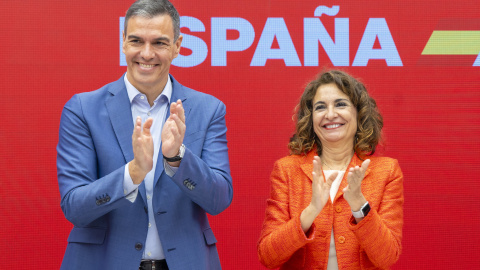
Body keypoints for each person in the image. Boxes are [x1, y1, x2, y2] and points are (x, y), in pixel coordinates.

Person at [56, 0, 233, 269]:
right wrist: (133, 174)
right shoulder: (82, 109)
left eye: (160, 43)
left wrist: (177, 158)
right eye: (137, 41)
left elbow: (219, 200)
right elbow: (75, 207)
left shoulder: (208, 109)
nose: (147, 54)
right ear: (123, 42)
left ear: (177, 46)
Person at [257, 70, 403, 269]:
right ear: (311, 118)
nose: (330, 114)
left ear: (359, 113)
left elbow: (386, 257)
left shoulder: (386, 171)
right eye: (320, 107)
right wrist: (310, 212)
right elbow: (268, 256)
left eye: (340, 104)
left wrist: (360, 205)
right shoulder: (287, 170)